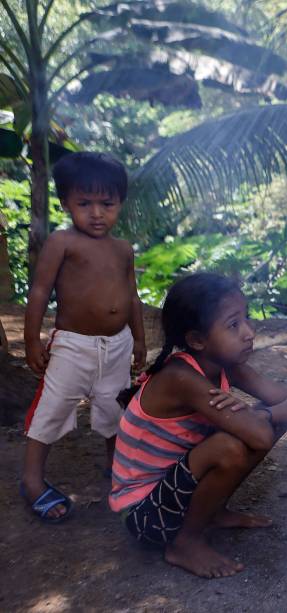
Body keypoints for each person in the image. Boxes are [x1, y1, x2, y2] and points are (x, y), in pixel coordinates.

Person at [108, 273, 287, 578]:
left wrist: (265, 415)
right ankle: (184, 543)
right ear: (197, 340)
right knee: (232, 444)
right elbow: (261, 432)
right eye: (233, 325)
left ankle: (212, 512)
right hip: (144, 515)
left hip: (173, 491)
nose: (248, 332)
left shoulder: (229, 366)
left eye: (247, 319)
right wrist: (262, 417)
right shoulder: (181, 378)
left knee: (266, 420)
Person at [21, 152, 146, 523]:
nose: (96, 213)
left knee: (114, 405)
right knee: (52, 408)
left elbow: (132, 297)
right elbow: (40, 292)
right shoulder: (62, 242)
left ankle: (118, 468)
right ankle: (31, 480)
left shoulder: (123, 249)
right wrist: (31, 341)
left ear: (120, 203)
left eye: (106, 204)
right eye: (84, 203)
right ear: (66, 204)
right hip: (73, 345)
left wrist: (138, 340)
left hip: (118, 344)